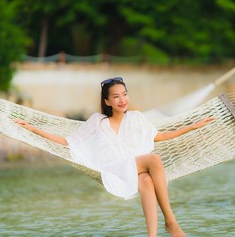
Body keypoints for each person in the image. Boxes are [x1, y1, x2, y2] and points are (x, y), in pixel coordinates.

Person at [15, 77, 214, 237]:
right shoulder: (98, 122)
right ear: (107, 101)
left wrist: (192, 126)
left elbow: (159, 136)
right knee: (154, 160)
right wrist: (34, 130)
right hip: (113, 169)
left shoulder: (136, 118)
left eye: (125, 94)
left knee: (146, 180)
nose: (122, 100)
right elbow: (68, 141)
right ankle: (171, 222)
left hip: (133, 167)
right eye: (116, 96)